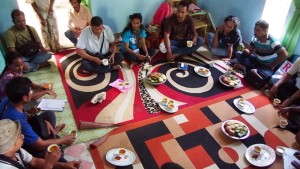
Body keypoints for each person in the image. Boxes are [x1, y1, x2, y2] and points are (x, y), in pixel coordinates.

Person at [1, 77, 75, 161]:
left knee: (49, 115)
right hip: (25, 145)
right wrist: (64, 140)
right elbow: (40, 145)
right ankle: (53, 135)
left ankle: (52, 134)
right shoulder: (18, 120)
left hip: (27, 127)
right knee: (58, 154)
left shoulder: (9, 99)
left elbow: (25, 113)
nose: (32, 93)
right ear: (25, 98)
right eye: (30, 91)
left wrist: (44, 122)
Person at [0, 119, 81, 169]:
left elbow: (34, 161)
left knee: (62, 161)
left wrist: (64, 165)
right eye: (19, 136)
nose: (23, 136)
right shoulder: (5, 167)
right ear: (10, 146)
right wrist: (49, 164)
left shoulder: (16, 151)